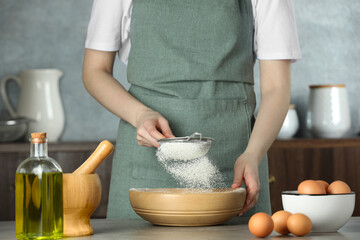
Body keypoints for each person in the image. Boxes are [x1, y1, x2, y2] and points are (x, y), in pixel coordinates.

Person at [83, 0, 301, 219]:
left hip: (238, 166)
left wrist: (253, 154)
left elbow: (276, 88)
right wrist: (139, 114)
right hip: (145, 163)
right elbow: (95, 70)